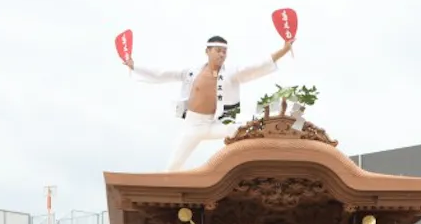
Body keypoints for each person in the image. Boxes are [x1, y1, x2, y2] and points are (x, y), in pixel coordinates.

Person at [123, 34, 294, 170]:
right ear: (207, 51)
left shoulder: (231, 73)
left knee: (245, 127)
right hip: (193, 126)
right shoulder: (191, 72)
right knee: (172, 167)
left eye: (224, 51)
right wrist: (134, 66)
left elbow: (257, 66)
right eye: (218, 50)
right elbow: (162, 73)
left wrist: (284, 50)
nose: (222, 54)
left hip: (216, 124)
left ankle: (269, 157)